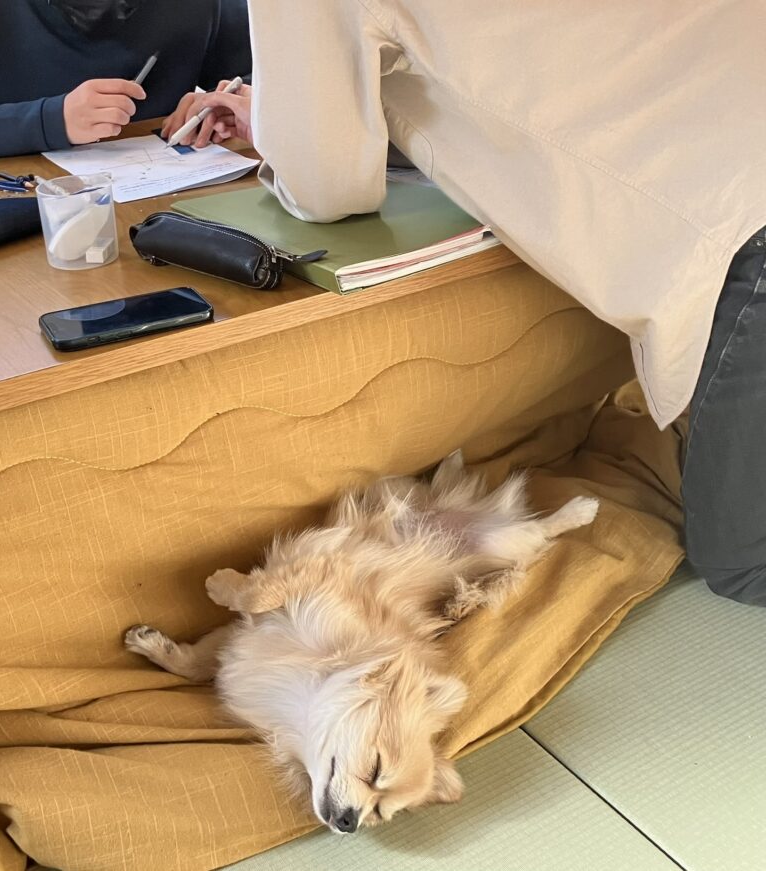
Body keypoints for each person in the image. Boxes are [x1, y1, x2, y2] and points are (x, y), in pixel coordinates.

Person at [165, 0, 766, 606]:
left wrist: (286, 126)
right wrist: (289, 112)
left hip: (743, 222)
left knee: (741, 562)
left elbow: (327, 188)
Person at [0, 0, 252, 163]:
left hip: (171, 211)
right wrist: (52, 120)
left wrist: (228, 104)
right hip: (28, 222)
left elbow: (258, 80)